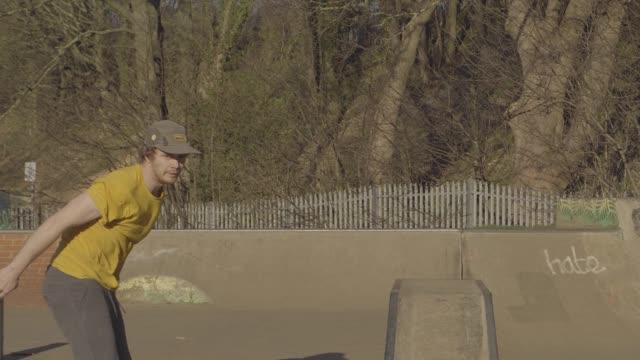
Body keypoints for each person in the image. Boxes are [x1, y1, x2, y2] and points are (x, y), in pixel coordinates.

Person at [0, 120, 199, 359]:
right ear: (149, 153)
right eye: (168, 156)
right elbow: (57, 222)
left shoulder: (156, 193)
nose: (176, 165)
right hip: (74, 280)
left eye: (182, 158)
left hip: (100, 285)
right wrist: (13, 270)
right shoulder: (119, 186)